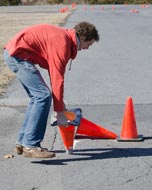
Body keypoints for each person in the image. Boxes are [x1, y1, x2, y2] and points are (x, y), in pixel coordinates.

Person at [3, 21, 99, 158]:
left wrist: (61, 106)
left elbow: (54, 73)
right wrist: (59, 113)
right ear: (83, 38)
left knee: (37, 97)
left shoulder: (64, 39)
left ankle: (22, 142)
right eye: (88, 44)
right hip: (18, 56)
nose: (87, 48)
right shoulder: (63, 43)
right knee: (42, 96)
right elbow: (57, 78)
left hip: (16, 55)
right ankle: (31, 145)